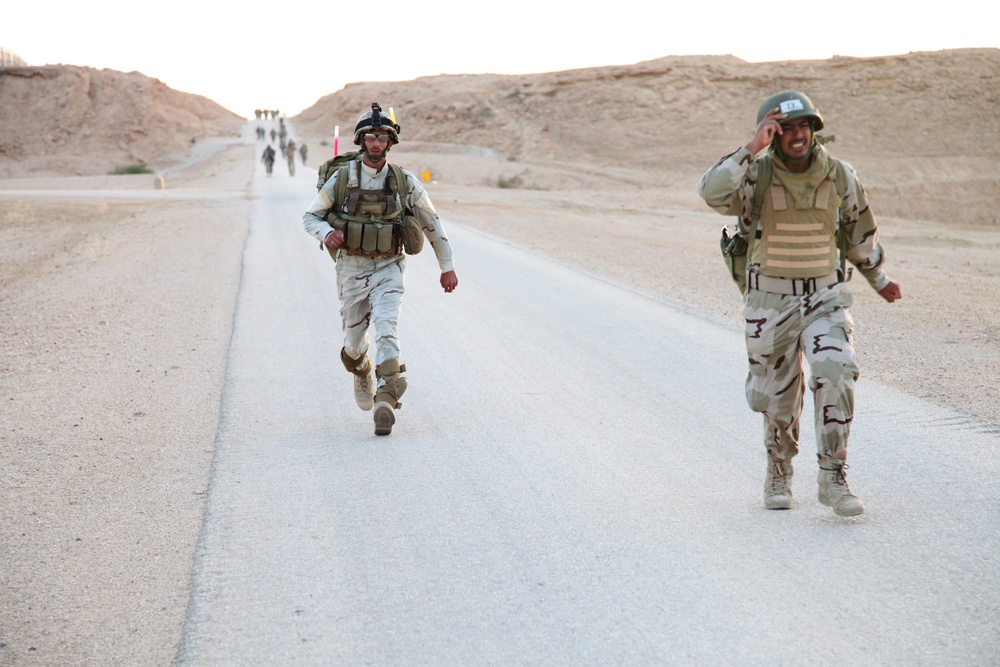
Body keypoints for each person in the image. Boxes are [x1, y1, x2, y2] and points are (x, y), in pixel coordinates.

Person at [697, 90, 902, 517]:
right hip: (769, 303)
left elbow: (859, 233)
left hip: (825, 296)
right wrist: (752, 147)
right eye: (785, 129)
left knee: (837, 370)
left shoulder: (840, 175)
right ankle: (778, 468)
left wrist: (879, 279)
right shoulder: (755, 175)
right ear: (772, 134)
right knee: (778, 398)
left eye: (803, 126)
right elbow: (711, 193)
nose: (796, 135)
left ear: (814, 129)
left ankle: (832, 474)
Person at [302, 103, 459, 436]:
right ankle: (362, 370)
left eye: (382, 137)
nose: (376, 143)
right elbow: (310, 217)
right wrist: (328, 233)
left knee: (387, 327)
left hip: (389, 265)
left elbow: (432, 223)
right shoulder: (342, 177)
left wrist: (446, 266)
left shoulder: (404, 181)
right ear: (362, 141)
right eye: (371, 137)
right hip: (351, 268)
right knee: (353, 343)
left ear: (390, 142)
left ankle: (386, 398)